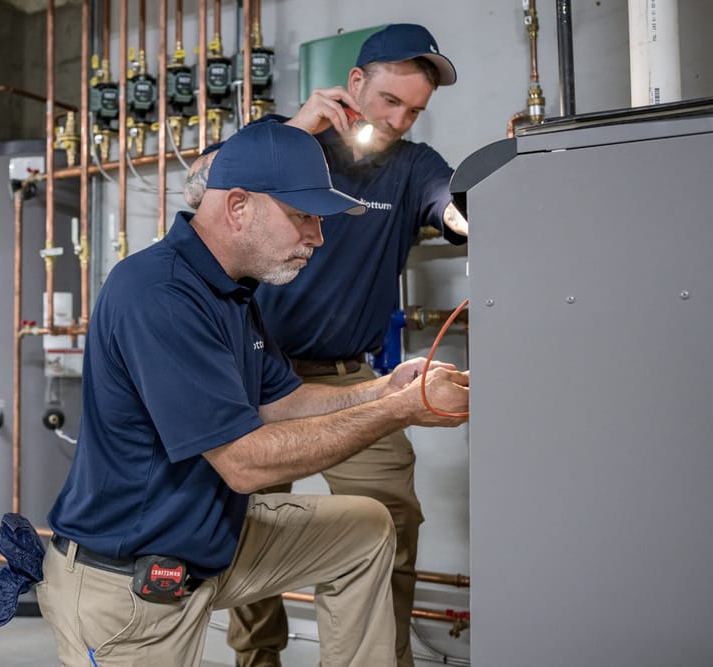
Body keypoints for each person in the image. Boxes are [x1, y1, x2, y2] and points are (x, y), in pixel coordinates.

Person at [37, 120, 470, 667]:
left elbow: (280, 402)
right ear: (238, 206)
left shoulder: (233, 291)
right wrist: (400, 412)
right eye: (302, 216)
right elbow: (243, 463)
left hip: (210, 543)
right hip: (130, 583)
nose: (317, 236)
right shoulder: (159, 295)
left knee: (365, 529)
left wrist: (387, 388)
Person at [183, 23, 468, 667]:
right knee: (249, 526)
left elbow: (450, 206)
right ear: (355, 84)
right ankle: (259, 660)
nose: (399, 120)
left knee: (392, 522)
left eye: (415, 109)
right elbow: (198, 189)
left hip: (349, 380)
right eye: (390, 102)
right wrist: (292, 133)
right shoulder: (285, 141)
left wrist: (469, 211)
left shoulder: (414, 167)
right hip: (255, 376)